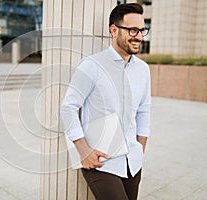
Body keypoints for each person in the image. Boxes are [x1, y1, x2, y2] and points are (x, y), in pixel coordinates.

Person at [60, 3, 151, 200]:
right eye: (133, 30)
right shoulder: (92, 65)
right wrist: (83, 151)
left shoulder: (143, 69)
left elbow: (144, 111)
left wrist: (140, 149)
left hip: (133, 162)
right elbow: (68, 107)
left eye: (142, 30)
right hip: (100, 161)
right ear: (114, 30)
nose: (139, 36)